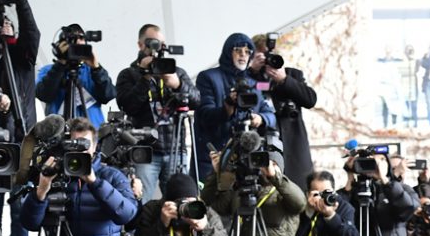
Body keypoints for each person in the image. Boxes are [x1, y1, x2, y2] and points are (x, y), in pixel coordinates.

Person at [20, 117, 138, 236]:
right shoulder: (57, 176)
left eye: (85, 145)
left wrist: (94, 182)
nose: (80, 151)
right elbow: (29, 223)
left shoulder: (112, 176)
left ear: (95, 146)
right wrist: (41, 189)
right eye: (74, 145)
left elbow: (126, 214)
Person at [115, 23, 201, 201]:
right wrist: (145, 78)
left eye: (161, 44)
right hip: (145, 150)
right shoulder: (129, 74)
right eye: (152, 43)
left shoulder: (176, 72)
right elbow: (127, 105)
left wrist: (177, 84)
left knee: (180, 201)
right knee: (140, 200)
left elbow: (197, 101)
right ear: (140, 45)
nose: (157, 49)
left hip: (175, 148)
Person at [0, 0, 39, 236]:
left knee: (20, 200)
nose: (4, 23)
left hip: (23, 137)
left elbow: (32, 35)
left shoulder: (22, 56)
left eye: (7, 19)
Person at [195, 33, 276, 180]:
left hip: (246, 162)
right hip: (214, 158)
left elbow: (270, 115)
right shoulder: (207, 77)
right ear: (228, 52)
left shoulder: (252, 83)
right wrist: (228, 105)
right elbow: (205, 116)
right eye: (238, 50)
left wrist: (260, 118)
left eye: (247, 52)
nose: (243, 55)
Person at [250, 33, 318, 186]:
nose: (268, 60)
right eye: (263, 56)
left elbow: (310, 100)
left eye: (271, 55)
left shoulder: (292, 75)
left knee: (297, 196)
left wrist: (284, 80)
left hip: (293, 150)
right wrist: (252, 71)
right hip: (262, 148)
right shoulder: (250, 77)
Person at [36, 24, 115, 127]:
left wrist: (97, 69)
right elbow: (44, 95)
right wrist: (60, 64)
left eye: (81, 39)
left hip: (91, 134)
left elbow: (108, 95)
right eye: (73, 41)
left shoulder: (92, 71)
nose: (77, 43)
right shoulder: (48, 70)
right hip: (59, 134)